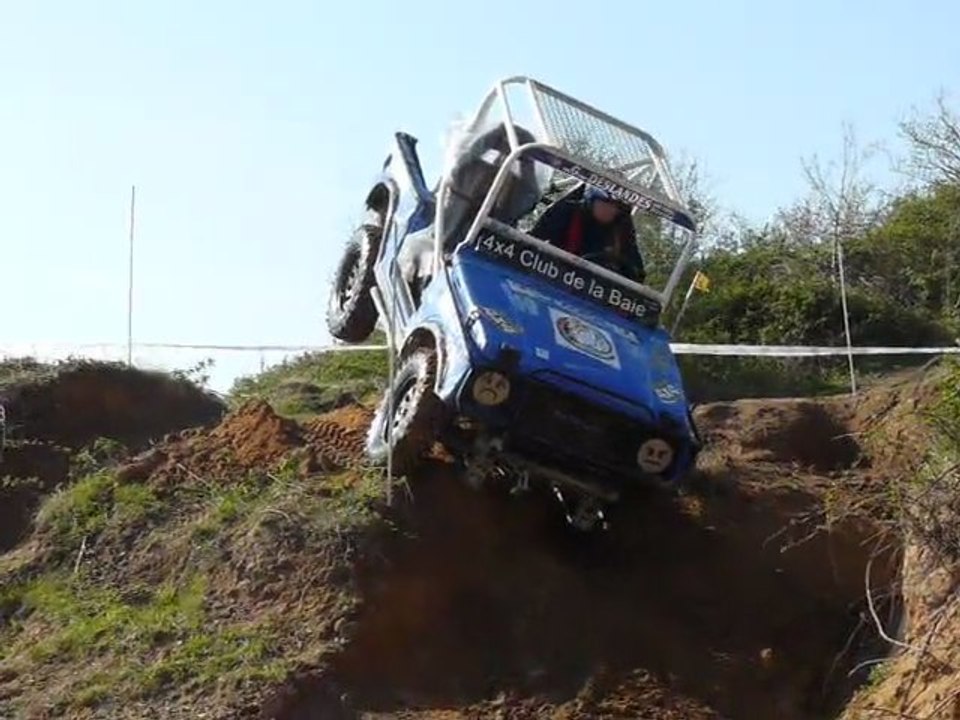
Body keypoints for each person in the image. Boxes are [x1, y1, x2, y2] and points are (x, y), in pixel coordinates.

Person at [529, 186, 646, 282]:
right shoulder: (566, 211)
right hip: (552, 273)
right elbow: (534, 239)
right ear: (592, 199)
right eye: (605, 203)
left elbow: (636, 272)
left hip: (594, 288)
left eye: (616, 207)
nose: (610, 210)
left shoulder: (622, 229)